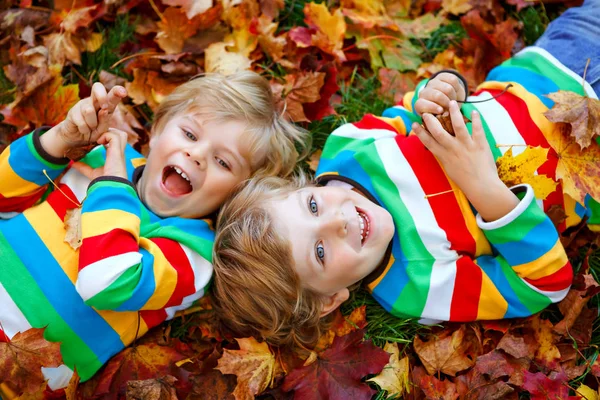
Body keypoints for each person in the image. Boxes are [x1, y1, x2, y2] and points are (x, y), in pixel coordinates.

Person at [211, 1, 600, 349]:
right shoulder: (415, 287)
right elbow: (544, 285)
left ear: (298, 186)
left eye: (312, 205)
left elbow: (413, 109)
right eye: (320, 252)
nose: (337, 220)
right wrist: (485, 191)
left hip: (557, 63)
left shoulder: (347, 149)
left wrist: (441, 90)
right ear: (328, 300)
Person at [0, 71, 307, 391]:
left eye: (223, 162)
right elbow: (4, 195)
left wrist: (113, 183)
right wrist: (60, 138)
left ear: (235, 195)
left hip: (20, 375)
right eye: (190, 134)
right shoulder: (103, 155)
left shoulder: (194, 253)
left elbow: (108, 283)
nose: (197, 155)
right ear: (158, 129)